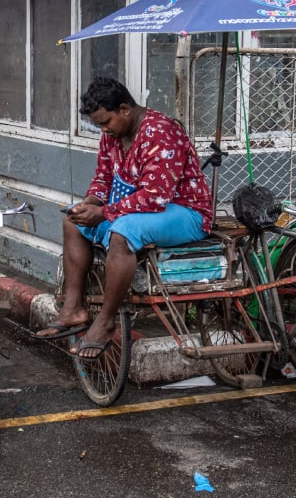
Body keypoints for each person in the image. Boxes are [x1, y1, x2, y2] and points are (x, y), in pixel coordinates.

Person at [35, 77, 213, 359]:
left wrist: (104, 212)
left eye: (106, 122)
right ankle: (73, 308)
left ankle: (106, 321)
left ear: (125, 109)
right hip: (137, 208)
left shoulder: (161, 132)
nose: (104, 130)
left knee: (122, 232)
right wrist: (90, 203)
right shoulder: (113, 135)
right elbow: (103, 178)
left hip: (185, 212)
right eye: (100, 125)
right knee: (72, 221)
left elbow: (155, 196)